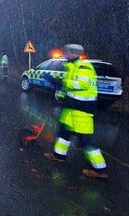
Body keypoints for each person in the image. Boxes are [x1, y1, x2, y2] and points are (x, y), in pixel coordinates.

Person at [44, 44, 108, 179]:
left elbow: (82, 84)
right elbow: (69, 88)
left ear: (75, 54)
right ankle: (59, 156)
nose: (66, 54)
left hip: (82, 111)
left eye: (68, 53)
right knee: (63, 134)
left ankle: (99, 169)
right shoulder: (71, 66)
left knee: (86, 142)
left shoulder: (83, 66)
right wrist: (58, 86)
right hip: (70, 110)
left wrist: (62, 83)